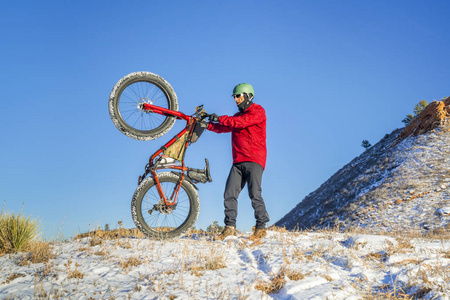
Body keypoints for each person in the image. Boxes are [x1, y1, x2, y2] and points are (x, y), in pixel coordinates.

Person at [207, 83, 270, 240]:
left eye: (238, 96)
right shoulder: (236, 117)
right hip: (238, 161)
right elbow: (223, 127)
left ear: (248, 96)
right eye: (234, 96)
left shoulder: (258, 111)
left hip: (254, 159)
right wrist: (206, 124)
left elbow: (240, 122)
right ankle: (229, 228)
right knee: (229, 193)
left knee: (254, 193)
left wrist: (220, 118)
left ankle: (261, 227)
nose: (235, 99)